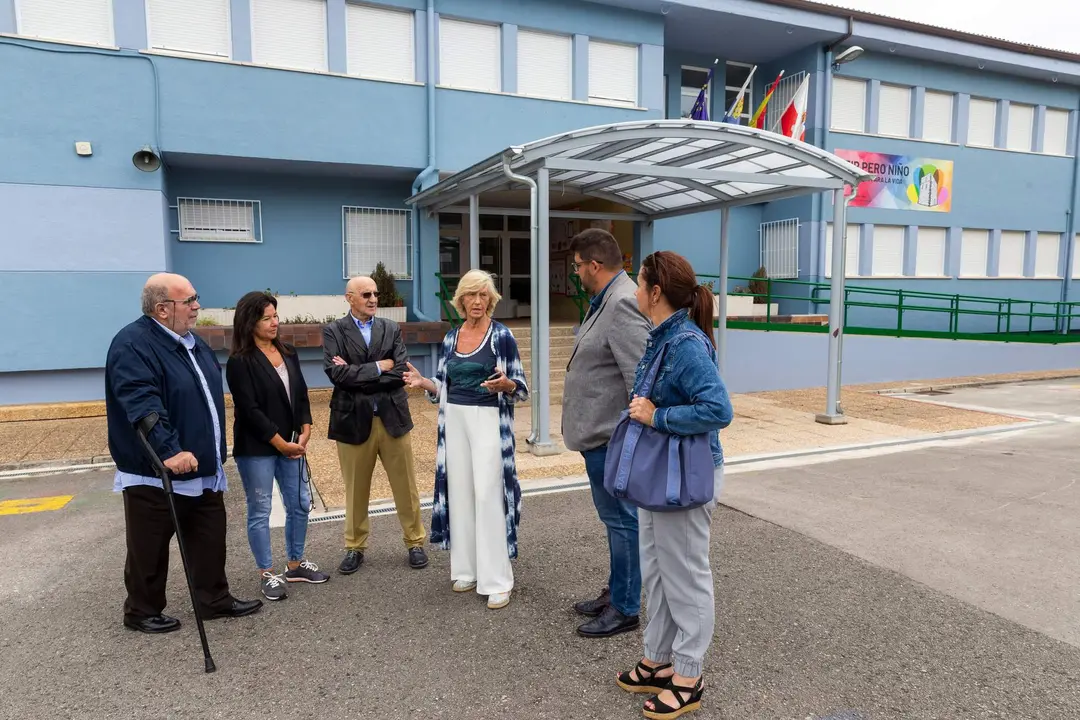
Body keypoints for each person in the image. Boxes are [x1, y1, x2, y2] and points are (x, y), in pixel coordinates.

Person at [105, 273, 263, 634]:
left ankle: (213, 600)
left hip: (203, 467)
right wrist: (169, 450)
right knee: (149, 547)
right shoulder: (133, 344)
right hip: (157, 471)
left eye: (195, 298)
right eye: (189, 300)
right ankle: (142, 610)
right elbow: (142, 404)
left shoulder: (192, 343)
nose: (196, 306)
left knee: (209, 537)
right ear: (162, 309)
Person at [614, 251, 733, 720]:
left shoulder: (684, 343)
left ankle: (689, 675)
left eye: (639, 283)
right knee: (658, 570)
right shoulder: (664, 335)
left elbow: (718, 409)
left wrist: (656, 414)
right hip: (662, 474)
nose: (636, 291)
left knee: (685, 574)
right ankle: (659, 658)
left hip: (685, 477)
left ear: (655, 292)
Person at [402, 269, 529, 610]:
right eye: (470, 296)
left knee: (488, 495)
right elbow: (444, 383)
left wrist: (507, 385)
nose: (477, 301)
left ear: (491, 300)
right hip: (454, 420)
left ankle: (498, 580)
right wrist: (425, 383)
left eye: (483, 295)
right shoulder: (451, 338)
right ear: (460, 301)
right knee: (459, 492)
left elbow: (521, 387)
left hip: (488, 419)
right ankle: (468, 569)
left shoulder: (502, 336)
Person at [562, 228, 652, 638]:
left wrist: (626, 437)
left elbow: (641, 378)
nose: (576, 272)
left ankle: (626, 606)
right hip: (597, 435)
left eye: (578, 265)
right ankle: (618, 591)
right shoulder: (606, 299)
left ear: (594, 265)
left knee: (622, 522)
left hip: (610, 439)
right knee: (615, 521)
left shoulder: (622, 304)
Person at [226, 291, 330, 602]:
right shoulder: (239, 362)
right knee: (260, 509)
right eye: (267, 318)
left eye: (276, 316)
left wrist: (306, 429)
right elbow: (250, 409)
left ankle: (296, 565)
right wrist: (279, 443)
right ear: (249, 322)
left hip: (292, 443)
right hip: (257, 447)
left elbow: (300, 394)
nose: (275, 322)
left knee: (298, 503)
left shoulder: (288, 351)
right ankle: (267, 573)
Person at [323, 276, 428, 573]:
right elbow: (336, 375)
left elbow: (400, 372)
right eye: (366, 294)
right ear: (349, 298)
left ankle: (415, 542)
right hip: (352, 421)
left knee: (406, 486)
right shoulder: (333, 331)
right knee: (355, 489)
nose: (373, 299)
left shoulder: (391, 328)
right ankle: (354, 547)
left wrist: (358, 374)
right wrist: (378, 367)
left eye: (375, 294)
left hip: (392, 417)